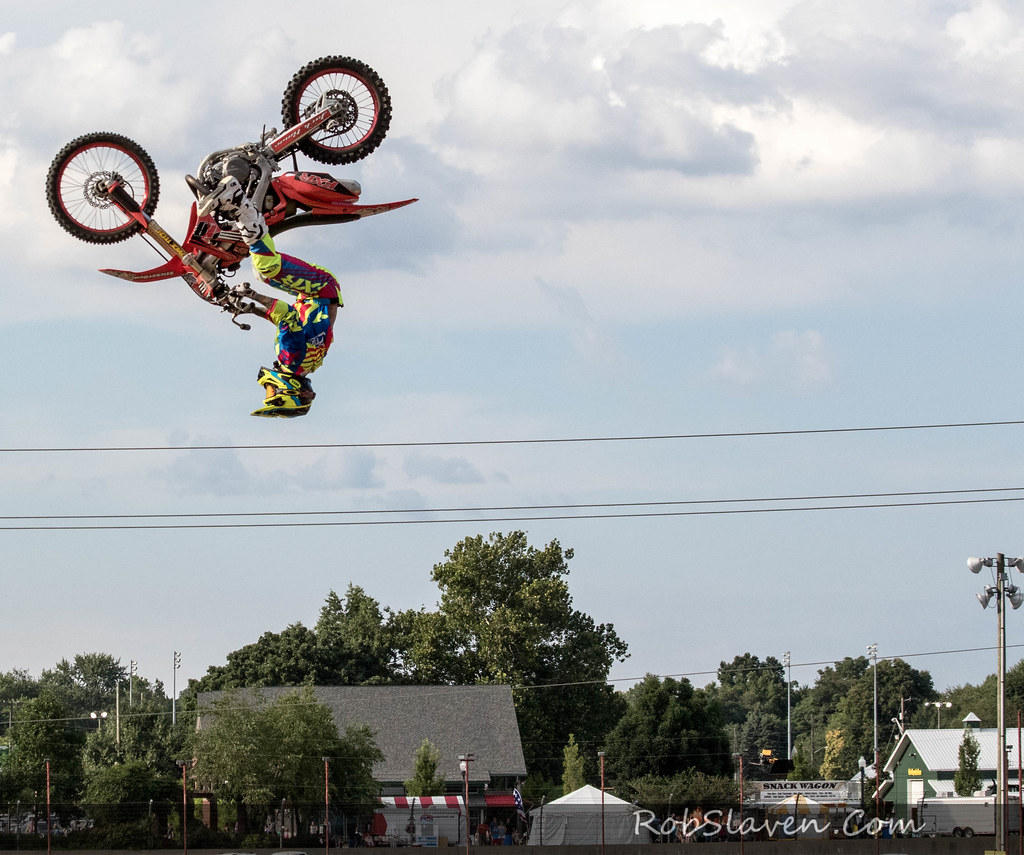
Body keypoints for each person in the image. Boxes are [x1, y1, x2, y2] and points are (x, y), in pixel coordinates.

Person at [200, 173, 343, 418]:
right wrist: (253, 295)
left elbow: (288, 322)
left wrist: (251, 309)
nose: (266, 387)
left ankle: (244, 212)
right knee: (267, 268)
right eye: (271, 391)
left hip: (320, 293)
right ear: (287, 390)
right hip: (318, 288)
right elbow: (286, 315)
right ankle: (240, 203)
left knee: (259, 272)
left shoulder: (307, 366)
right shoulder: (291, 360)